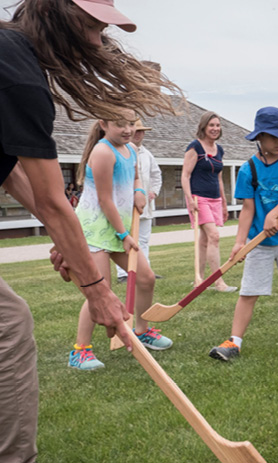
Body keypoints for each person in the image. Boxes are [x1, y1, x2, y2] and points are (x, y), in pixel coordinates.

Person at [0, 0, 181, 460]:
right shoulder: (14, 68)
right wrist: (97, 290)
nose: (98, 40)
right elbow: (54, 200)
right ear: (56, 12)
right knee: (4, 322)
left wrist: (64, 243)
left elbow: (10, 168)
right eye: (92, 25)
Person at [69, 115, 173, 370]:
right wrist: (123, 235)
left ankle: (142, 330)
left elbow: (136, 177)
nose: (128, 130)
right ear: (103, 124)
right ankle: (80, 351)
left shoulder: (131, 149)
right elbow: (105, 200)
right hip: (96, 228)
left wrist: (139, 191)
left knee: (146, 277)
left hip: (119, 227)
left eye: (132, 123)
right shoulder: (103, 152)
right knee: (100, 290)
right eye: (120, 124)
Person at [208, 107, 278, 362]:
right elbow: (248, 208)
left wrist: (273, 215)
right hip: (259, 243)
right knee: (249, 291)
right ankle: (234, 342)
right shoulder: (248, 169)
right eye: (274, 137)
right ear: (259, 137)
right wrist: (240, 242)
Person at [181, 111, 237, 292]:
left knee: (205, 240)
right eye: (211, 125)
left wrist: (224, 203)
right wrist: (190, 199)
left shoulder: (219, 150)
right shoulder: (195, 147)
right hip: (199, 198)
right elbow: (185, 175)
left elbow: (219, 178)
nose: (215, 129)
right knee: (214, 236)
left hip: (215, 199)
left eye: (218, 126)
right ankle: (218, 282)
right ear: (204, 127)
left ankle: (200, 280)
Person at [117, 119, 163, 283]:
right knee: (126, 238)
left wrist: (153, 192)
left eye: (141, 131)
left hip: (145, 206)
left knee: (143, 239)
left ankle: (145, 270)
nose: (138, 134)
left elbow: (156, 175)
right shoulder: (121, 152)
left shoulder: (147, 154)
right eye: (136, 131)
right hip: (125, 207)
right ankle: (124, 273)